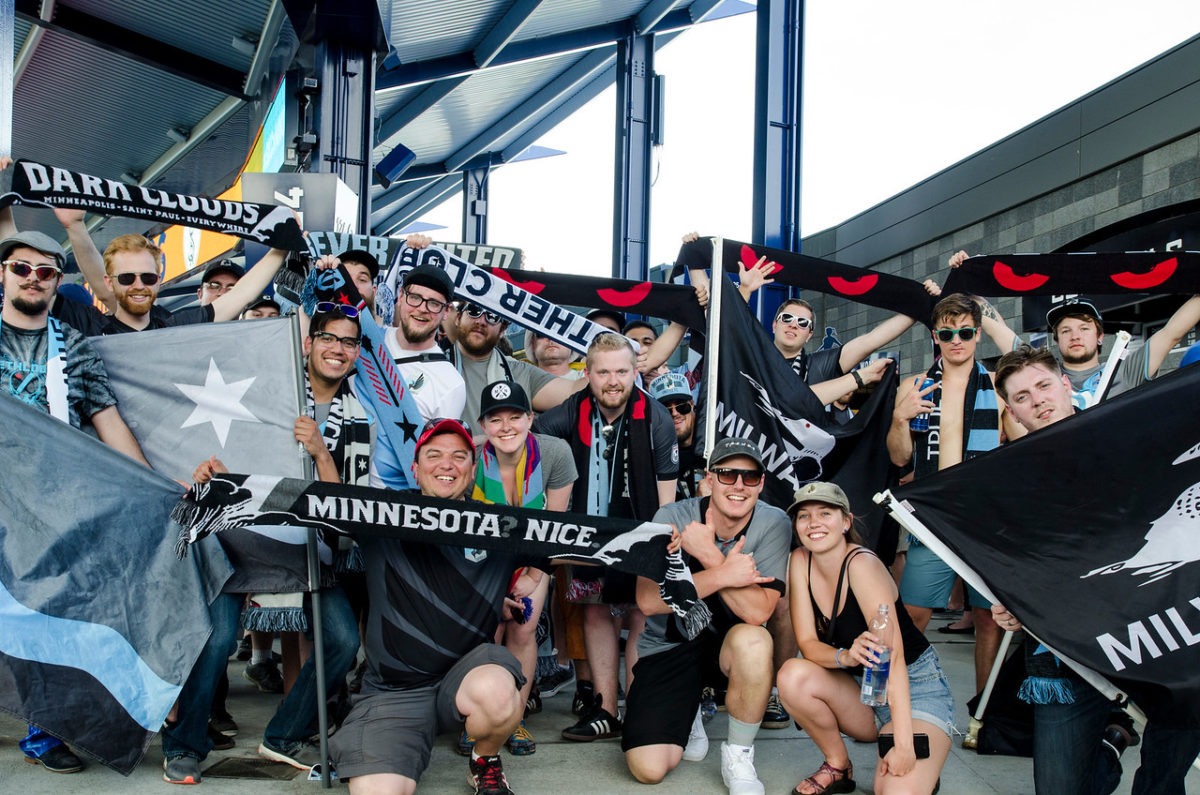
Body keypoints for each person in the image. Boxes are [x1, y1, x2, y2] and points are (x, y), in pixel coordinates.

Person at [166, 306, 367, 783]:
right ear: (308, 343)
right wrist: (204, 475)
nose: (338, 348)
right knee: (215, 641)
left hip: (305, 550)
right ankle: (185, 743)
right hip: (236, 536)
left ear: (357, 354)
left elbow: (347, 507)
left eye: (349, 342)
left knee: (343, 640)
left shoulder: (359, 419)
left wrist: (320, 452)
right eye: (328, 337)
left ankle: (282, 736)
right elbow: (211, 447)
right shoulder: (264, 389)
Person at [991, 344, 1200, 795]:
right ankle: (1109, 746)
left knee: (1163, 782)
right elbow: (1008, 559)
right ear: (1012, 411)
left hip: (1163, 630)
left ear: (1066, 385)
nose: (1038, 399)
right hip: (1070, 647)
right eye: (1023, 396)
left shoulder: (1128, 436)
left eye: (1044, 385)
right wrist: (1007, 600)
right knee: (1059, 787)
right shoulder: (1006, 479)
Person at [0, 230, 150, 774]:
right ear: (4, 273)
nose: (34, 279)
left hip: (51, 507)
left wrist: (151, 488)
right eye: (23, 268)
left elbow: (107, 419)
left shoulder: (74, 346)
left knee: (51, 619)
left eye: (45, 272)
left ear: (58, 282)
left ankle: (46, 731)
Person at [329, 417, 534, 795]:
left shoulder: (499, 524)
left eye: (459, 457)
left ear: (472, 470)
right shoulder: (384, 513)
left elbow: (582, 543)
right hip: (395, 691)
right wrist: (225, 488)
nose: (447, 464)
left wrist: (653, 543)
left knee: (497, 690)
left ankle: (485, 760)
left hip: (467, 676)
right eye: (434, 455)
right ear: (415, 467)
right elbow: (324, 502)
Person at [534, 332, 678, 743]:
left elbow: (667, 492)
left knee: (637, 615)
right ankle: (604, 710)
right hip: (589, 533)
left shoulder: (656, 417)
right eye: (603, 372)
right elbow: (531, 439)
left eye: (621, 371)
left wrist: (661, 539)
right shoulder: (571, 410)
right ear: (589, 374)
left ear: (635, 372)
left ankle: (637, 707)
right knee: (596, 613)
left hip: (640, 530)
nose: (612, 381)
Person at [625, 437, 789, 795]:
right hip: (671, 643)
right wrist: (725, 574)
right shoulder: (671, 517)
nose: (739, 485)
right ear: (709, 479)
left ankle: (740, 755)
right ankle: (692, 708)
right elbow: (649, 601)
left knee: (755, 641)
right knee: (647, 769)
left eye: (750, 476)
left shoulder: (774, 522)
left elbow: (760, 610)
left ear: (762, 482)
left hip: (730, 646)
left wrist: (709, 554)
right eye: (728, 474)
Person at [778, 481, 954, 795]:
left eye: (825, 513)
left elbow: (893, 658)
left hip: (915, 688)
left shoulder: (862, 565)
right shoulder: (800, 561)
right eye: (803, 516)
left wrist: (903, 745)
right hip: (863, 691)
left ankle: (919, 765)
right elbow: (806, 642)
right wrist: (844, 657)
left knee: (896, 791)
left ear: (846, 521)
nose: (813, 522)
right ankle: (837, 765)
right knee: (792, 675)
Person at [887, 293, 1004, 696]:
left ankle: (982, 711)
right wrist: (901, 419)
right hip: (931, 516)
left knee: (989, 617)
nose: (957, 340)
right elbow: (899, 456)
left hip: (983, 518)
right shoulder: (915, 386)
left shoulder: (997, 386)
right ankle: (894, 697)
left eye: (966, 332)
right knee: (913, 612)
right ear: (935, 336)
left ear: (978, 335)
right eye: (948, 333)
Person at [462, 380, 577, 757]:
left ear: (531, 418)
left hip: (534, 556)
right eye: (496, 419)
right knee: (486, 631)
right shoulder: (470, 458)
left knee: (523, 631)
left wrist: (533, 577)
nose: (506, 426)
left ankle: (514, 717)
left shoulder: (555, 453)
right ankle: (478, 716)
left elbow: (554, 530)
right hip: (482, 559)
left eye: (515, 416)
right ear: (483, 425)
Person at [947, 250, 1200, 407]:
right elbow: (997, 328)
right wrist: (969, 276)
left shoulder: (1127, 370)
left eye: (1084, 328)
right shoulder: (1041, 371)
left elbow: (1172, 332)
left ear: (1100, 336)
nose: (1075, 335)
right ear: (1056, 339)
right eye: (1066, 330)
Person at [370, 263, 467, 489]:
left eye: (434, 303)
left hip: (394, 503)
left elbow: (440, 463)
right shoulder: (369, 340)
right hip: (336, 488)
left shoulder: (450, 383)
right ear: (401, 297)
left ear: (446, 311)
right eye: (415, 297)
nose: (422, 309)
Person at [451, 301, 583, 423]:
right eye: (474, 310)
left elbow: (573, 391)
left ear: (502, 330)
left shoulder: (520, 372)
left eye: (493, 316)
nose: (481, 321)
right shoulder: (434, 361)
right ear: (457, 318)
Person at [648, 371, 702, 500]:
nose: (675, 413)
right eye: (665, 409)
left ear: (692, 404)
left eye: (682, 406)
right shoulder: (652, 451)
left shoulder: (712, 440)